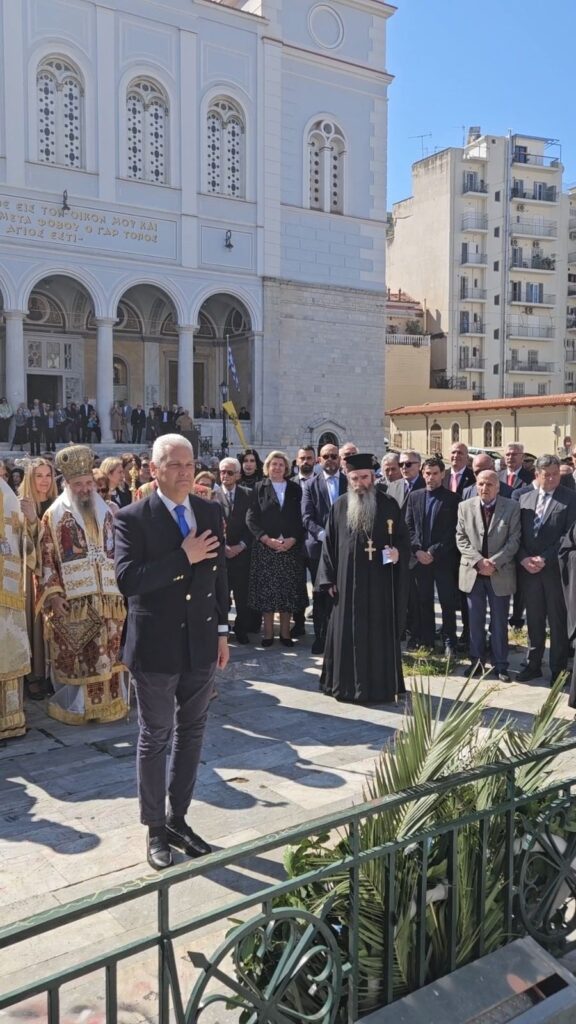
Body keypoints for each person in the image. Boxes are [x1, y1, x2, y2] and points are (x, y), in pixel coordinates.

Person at [114, 433, 229, 870]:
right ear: (154, 469)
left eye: (189, 464)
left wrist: (222, 632)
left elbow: (218, 575)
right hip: (156, 648)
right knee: (156, 736)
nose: (184, 472)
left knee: (193, 732)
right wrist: (183, 556)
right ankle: (155, 827)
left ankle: (179, 818)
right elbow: (128, 580)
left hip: (200, 642)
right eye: (175, 465)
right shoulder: (132, 518)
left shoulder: (209, 510)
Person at [36, 445, 128, 725]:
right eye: (79, 484)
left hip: (110, 598)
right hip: (75, 600)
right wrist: (53, 595)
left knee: (109, 653)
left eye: (89, 483)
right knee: (81, 656)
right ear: (67, 484)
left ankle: (110, 703)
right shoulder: (53, 514)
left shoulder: (107, 511)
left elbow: (118, 551)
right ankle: (79, 708)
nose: (85, 489)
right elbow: (46, 558)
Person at [316, 453, 409, 703]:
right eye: (354, 478)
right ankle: (344, 686)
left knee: (378, 634)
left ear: (373, 477)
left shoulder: (389, 504)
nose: (360, 483)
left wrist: (398, 553)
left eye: (364, 477)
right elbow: (328, 545)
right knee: (346, 632)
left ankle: (380, 687)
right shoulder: (340, 505)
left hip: (380, 584)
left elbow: (403, 538)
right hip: (346, 584)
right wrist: (328, 579)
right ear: (348, 478)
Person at [516, 454, 576, 683]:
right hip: (529, 571)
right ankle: (533, 664)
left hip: (555, 571)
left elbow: (568, 536)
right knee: (534, 619)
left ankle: (558, 669)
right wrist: (523, 558)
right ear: (537, 474)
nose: (552, 479)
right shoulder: (524, 498)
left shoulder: (570, 499)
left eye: (555, 474)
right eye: (547, 475)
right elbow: (517, 534)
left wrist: (545, 558)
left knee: (557, 621)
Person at [457, 470, 521, 682]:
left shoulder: (511, 507)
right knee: (474, 621)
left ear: (498, 487)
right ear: (476, 485)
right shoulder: (464, 506)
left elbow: (514, 539)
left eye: (490, 484)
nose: (485, 488)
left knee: (499, 621)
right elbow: (461, 538)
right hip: (473, 572)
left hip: (499, 572)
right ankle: (476, 661)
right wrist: (479, 561)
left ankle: (500, 664)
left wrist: (494, 562)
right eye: (481, 484)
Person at [246, 450, 306, 647]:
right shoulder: (258, 488)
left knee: (287, 592)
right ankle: (268, 634)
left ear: (286, 468)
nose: (277, 468)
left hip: (289, 547)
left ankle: (286, 633)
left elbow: (301, 517)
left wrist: (293, 539)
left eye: (281, 464)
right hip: (266, 548)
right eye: (274, 464)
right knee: (268, 593)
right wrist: (265, 539)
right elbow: (251, 518)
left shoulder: (295, 489)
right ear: (268, 467)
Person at [405, 457, 460, 656]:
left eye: (435, 473)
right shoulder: (414, 497)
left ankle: (449, 641)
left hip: (443, 560)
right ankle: (426, 640)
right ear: (422, 474)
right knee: (423, 601)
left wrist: (433, 551)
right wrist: (417, 550)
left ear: (443, 474)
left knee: (447, 602)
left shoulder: (453, 499)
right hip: (420, 559)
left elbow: (454, 531)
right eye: (427, 473)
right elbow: (408, 527)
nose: (431, 478)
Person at [301, 442, 347, 654]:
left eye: (333, 456)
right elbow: (307, 517)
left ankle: (340, 637)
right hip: (319, 548)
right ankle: (321, 637)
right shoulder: (310, 485)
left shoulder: (349, 482)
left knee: (342, 592)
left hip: (346, 548)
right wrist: (324, 536)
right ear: (319, 460)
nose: (330, 460)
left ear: (339, 459)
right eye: (326, 456)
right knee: (320, 594)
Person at [19, 458, 58, 700]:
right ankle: (34, 676)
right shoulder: (21, 504)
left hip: (56, 572)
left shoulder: (58, 504)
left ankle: (52, 673)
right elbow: (23, 544)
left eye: (48, 475)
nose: (44, 480)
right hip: (32, 572)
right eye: (39, 475)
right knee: (34, 623)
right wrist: (33, 520)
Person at [0, 476, 32, 739]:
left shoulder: (7, 493)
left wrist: (31, 520)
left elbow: (25, 542)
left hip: (7, 590)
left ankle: (9, 719)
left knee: (7, 651)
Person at [215, 457, 254, 644]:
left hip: (242, 554)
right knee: (221, 596)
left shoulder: (248, 494)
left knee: (242, 595)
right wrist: (222, 547)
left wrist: (242, 545)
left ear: (238, 475)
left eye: (230, 472)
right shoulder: (212, 495)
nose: (225, 475)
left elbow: (253, 523)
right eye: (222, 472)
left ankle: (241, 628)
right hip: (220, 555)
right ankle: (223, 629)